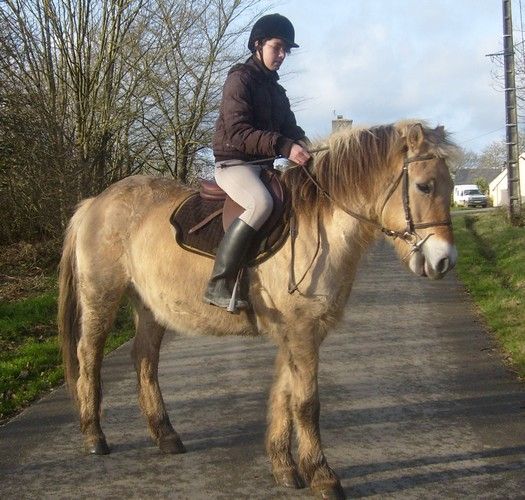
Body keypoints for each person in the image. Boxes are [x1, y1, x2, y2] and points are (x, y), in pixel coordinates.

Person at [203, 13, 311, 310]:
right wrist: (284, 146)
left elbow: (291, 129)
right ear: (258, 44)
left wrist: (306, 146)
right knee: (260, 203)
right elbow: (239, 132)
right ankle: (218, 283)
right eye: (277, 47)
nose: (282, 55)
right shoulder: (239, 79)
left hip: (263, 167)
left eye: (285, 50)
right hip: (234, 165)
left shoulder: (277, 91)